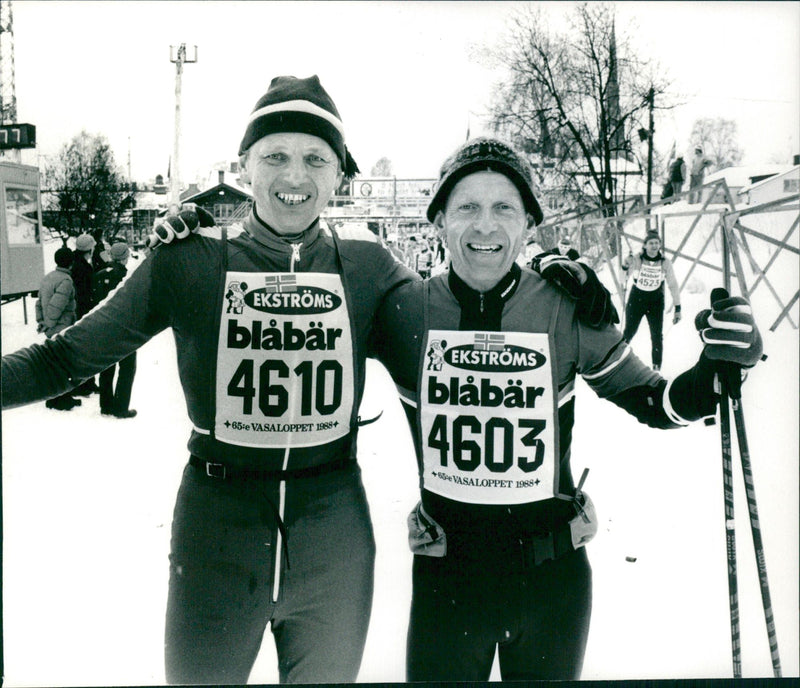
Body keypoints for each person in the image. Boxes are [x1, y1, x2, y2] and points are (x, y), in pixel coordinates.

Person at [2, 74, 418, 685]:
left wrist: (547, 274)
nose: (295, 178)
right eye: (275, 156)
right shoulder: (189, 259)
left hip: (333, 538)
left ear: (340, 173)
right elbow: (62, 359)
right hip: (218, 532)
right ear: (245, 165)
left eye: (315, 159)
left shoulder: (369, 268)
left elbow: (459, 349)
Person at [369, 136, 763, 681]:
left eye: (505, 207)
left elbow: (656, 401)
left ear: (529, 225)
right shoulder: (402, 313)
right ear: (438, 221)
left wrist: (721, 366)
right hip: (447, 582)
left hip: (550, 580)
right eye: (466, 208)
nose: (485, 226)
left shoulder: (565, 305)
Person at [621, 230, 682, 371]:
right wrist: (625, 265)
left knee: (656, 335)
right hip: (637, 299)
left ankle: (656, 368)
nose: (654, 246)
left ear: (660, 245)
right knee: (629, 331)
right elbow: (623, 279)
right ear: (645, 245)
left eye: (657, 243)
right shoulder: (637, 259)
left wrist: (678, 308)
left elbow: (673, 284)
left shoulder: (664, 262)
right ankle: (618, 361)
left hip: (655, 300)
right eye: (651, 243)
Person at [92, 242, 138, 418]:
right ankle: (120, 407)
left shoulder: (99, 275)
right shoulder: (128, 277)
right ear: (125, 257)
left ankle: (105, 405)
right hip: (125, 329)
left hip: (103, 328)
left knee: (106, 366)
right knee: (127, 368)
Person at [35, 246, 81, 411]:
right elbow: (57, 305)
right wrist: (50, 323)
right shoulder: (66, 281)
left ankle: (53, 398)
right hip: (61, 326)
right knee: (63, 363)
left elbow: (39, 302)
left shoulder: (48, 277)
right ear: (71, 263)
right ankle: (63, 399)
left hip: (51, 326)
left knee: (54, 363)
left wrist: (41, 321)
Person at [71, 232, 100, 396]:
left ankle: (87, 383)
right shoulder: (83, 268)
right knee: (86, 349)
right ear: (89, 249)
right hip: (82, 312)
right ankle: (84, 384)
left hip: (79, 311)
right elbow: (85, 293)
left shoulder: (77, 264)